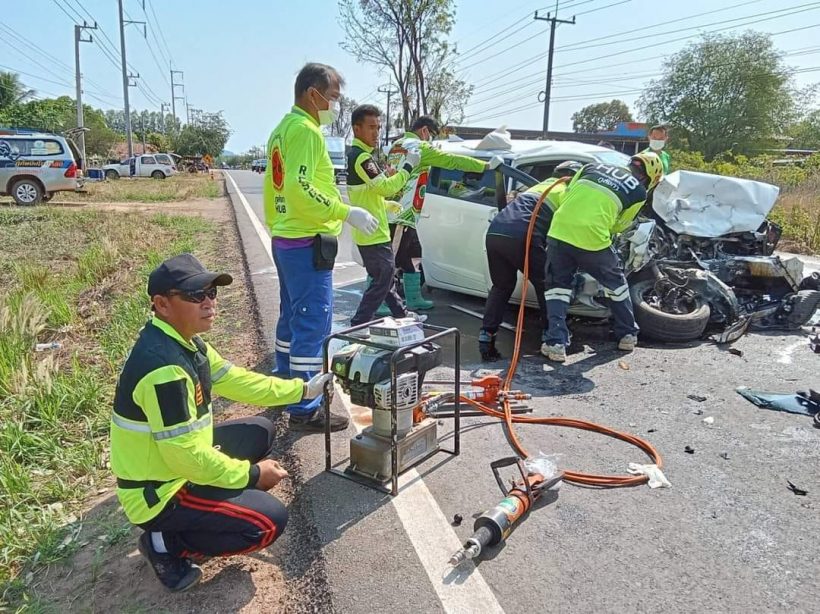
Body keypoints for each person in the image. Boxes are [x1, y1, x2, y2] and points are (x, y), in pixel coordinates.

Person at [111, 254, 334, 592]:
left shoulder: (185, 342)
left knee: (261, 431)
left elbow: (237, 380)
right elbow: (186, 457)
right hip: (160, 491)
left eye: (211, 293)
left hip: (175, 463)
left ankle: (207, 505)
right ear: (162, 304)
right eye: (194, 295)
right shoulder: (164, 372)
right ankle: (165, 544)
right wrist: (251, 475)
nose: (208, 303)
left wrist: (301, 389)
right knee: (268, 523)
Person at [263, 63, 378, 431]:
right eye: (333, 98)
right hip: (306, 240)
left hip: (286, 237)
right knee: (313, 322)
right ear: (313, 94)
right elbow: (301, 188)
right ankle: (306, 406)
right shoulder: (307, 132)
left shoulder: (283, 129)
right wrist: (347, 212)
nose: (336, 106)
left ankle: (285, 386)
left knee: (292, 318)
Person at [541, 152, 664, 363]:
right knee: (616, 284)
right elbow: (620, 226)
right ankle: (627, 334)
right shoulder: (639, 192)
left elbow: (566, 195)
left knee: (557, 288)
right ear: (650, 177)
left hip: (560, 230)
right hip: (593, 239)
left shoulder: (591, 167)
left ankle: (556, 344)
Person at [478, 160, 583, 361]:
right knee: (548, 285)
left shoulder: (538, 186)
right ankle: (551, 335)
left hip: (495, 231)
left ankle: (486, 333)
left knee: (501, 286)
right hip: (523, 235)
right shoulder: (569, 192)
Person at [384, 115, 488, 311]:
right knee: (390, 256)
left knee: (411, 255)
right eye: (430, 135)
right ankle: (382, 300)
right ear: (424, 131)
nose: (430, 140)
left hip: (399, 208)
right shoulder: (420, 147)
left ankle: (413, 298)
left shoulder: (397, 144)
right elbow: (451, 161)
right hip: (402, 213)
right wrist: (483, 166)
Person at [346, 104, 424, 327]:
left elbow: (368, 193)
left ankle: (402, 316)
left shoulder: (360, 156)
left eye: (378, 128)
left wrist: (387, 205)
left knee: (385, 279)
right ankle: (359, 323)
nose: (376, 133)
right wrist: (408, 166)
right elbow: (387, 187)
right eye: (371, 127)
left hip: (369, 231)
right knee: (383, 279)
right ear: (356, 129)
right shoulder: (362, 158)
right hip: (373, 234)